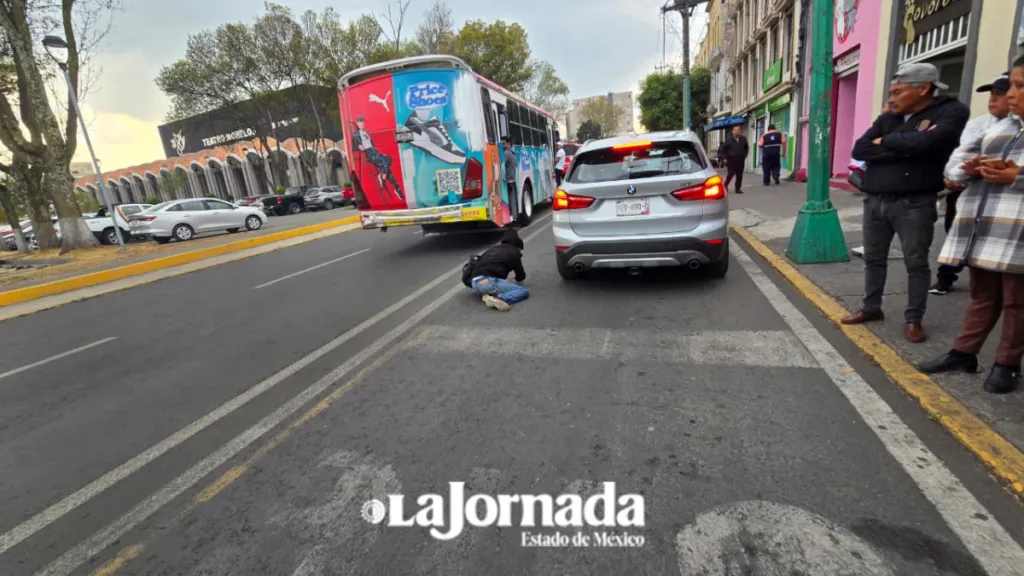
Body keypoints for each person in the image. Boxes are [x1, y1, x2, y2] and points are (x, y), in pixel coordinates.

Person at [843, 62, 970, 343]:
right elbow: (861, 148)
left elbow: (933, 143)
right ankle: (871, 307)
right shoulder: (890, 114)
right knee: (874, 260)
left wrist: (885, 142)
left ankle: (914, 319)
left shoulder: (951, 111)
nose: (891, 99)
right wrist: (907, 146)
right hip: (875, 200)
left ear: (923, 88)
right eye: (891, 92)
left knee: (916, 262)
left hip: (915, 203)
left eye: (898, 92)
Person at [918, 57, 1024, 394]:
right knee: (982, 295)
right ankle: (964, 353)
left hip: (1018, 228)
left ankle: (1007, 363)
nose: (1010, 94)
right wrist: (971, 168)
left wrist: (1016, 176)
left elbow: (1014, 174)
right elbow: (958, 163)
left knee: (1016, 301)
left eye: (1020, 87)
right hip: (985, 222)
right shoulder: (1000, 126)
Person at [930, 73, 1012, 295]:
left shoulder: (1015, 129)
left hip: (1006, 201)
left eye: (1000, 94)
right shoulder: (979, 125)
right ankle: (946, 278)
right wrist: (957, 176)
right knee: (957, 233)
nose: (993, 99)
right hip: (967, 193)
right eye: (992, 94)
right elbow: (958, 162)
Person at [468, 229, 529, 311]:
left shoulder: (493, 248)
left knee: (496, 284)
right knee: (522, 291)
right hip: (488, 282)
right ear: (518, 247)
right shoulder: (515, 253)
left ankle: (487, 294)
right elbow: (520, 276)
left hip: (475, 283)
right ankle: (501, 298)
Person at [720, 125, 749, 194]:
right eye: (735, 130)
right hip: (731, 159)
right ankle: (725, 184)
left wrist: (744, 155)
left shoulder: (743, 139)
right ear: (733, 131)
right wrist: (724, 158)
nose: (737, 131)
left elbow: (746, 148)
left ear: (740, 131)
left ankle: (738, 188)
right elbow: (723, 150)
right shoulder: (728, 139)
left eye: (738, 130)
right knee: (731, 173)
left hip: (740, 159)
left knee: (739, 175)